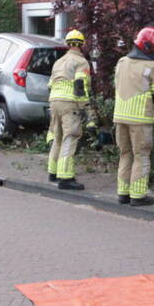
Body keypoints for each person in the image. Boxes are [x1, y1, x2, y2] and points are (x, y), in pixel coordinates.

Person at [112, 27, 154, 207]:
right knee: (141, 155)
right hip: (140, 119)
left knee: (125, 154)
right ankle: (138, 195)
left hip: (120, 116)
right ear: (149, 46)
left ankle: (123, 193)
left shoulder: (121, 62)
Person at [46, 29, 95, 191]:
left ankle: (53, 172)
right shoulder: (81, 62)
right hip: (70, 102)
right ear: (82, 45)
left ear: (67, 44)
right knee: (70, 136)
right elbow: (79, 86)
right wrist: (85, 109)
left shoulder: (58, 62)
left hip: (54, 101)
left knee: (58, 136)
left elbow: (50, 85)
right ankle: (65, 177)